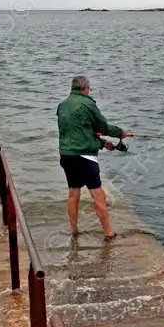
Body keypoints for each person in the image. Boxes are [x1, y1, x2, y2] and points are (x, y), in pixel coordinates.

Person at [56, 75, 133, 240]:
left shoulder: (62, 106)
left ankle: (74, 231)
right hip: (84, 157)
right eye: (89, 89)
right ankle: (109, 233)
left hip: (66, 155)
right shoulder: (87, 103)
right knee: (98, 194)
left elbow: (77, 132)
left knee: (73, 194)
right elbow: (102, 126)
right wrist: (121, 133)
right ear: (85, 89)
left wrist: (102, 143)